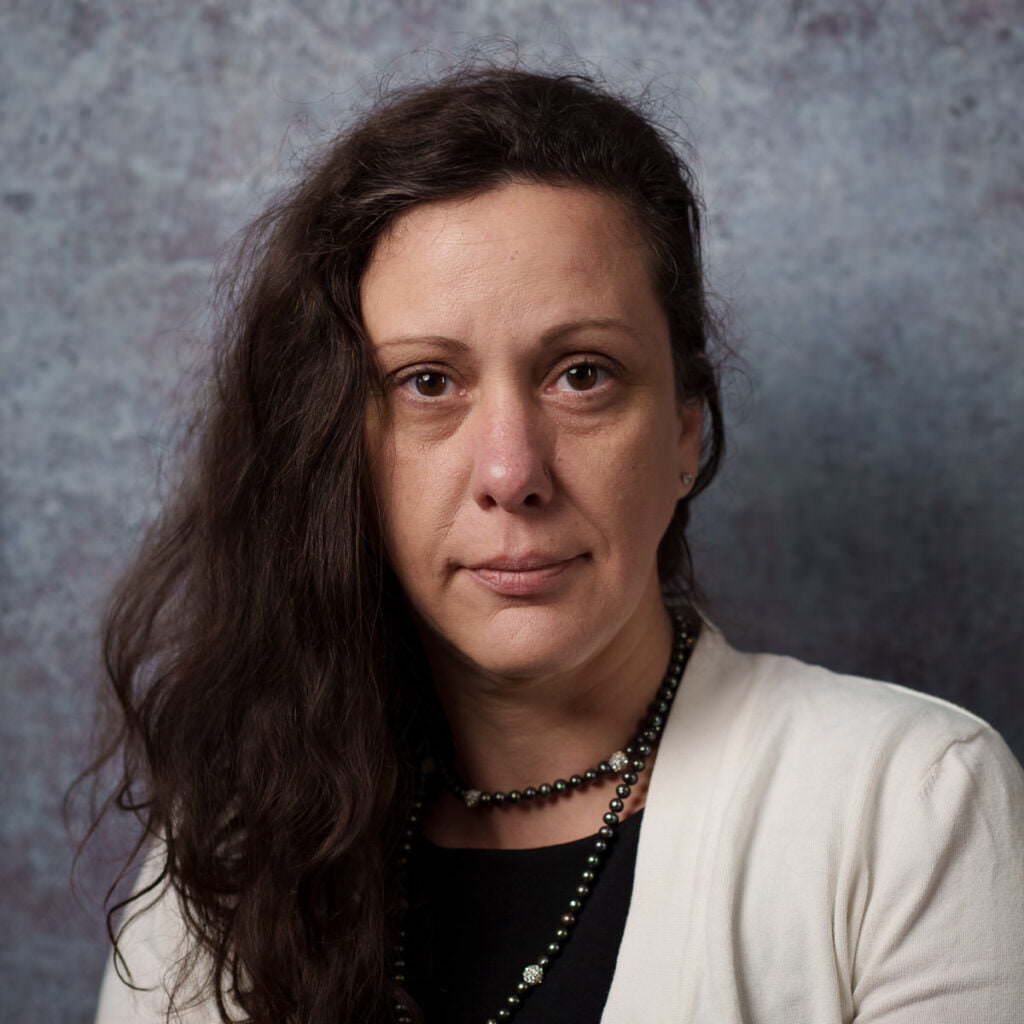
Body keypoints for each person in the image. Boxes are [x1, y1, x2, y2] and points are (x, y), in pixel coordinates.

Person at [74, 58, 1024, 1024]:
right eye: (429, 383)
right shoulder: (228, 863)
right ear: (338, 449)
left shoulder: (913, 803)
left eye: (582, 375)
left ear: (685, 430)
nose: (510, 472)